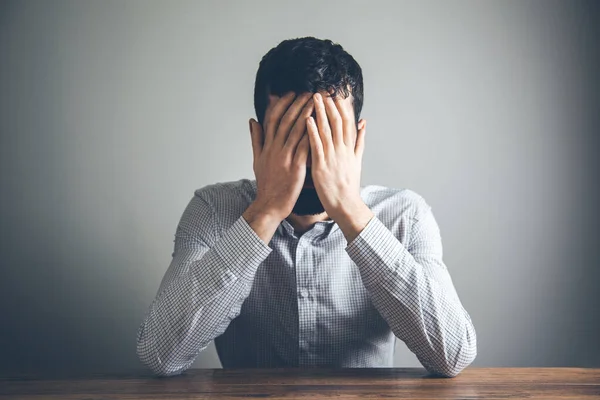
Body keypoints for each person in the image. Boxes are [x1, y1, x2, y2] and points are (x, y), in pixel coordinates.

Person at [136, 36, 477, 377]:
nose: (311, 157)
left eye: (328, 134)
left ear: (357, 139)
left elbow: (452, 356)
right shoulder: (213, 210)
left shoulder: (405, 216)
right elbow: (160, 354)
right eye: (291, 136)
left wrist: (350, 210)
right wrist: (265, 212)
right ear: (259, 139)